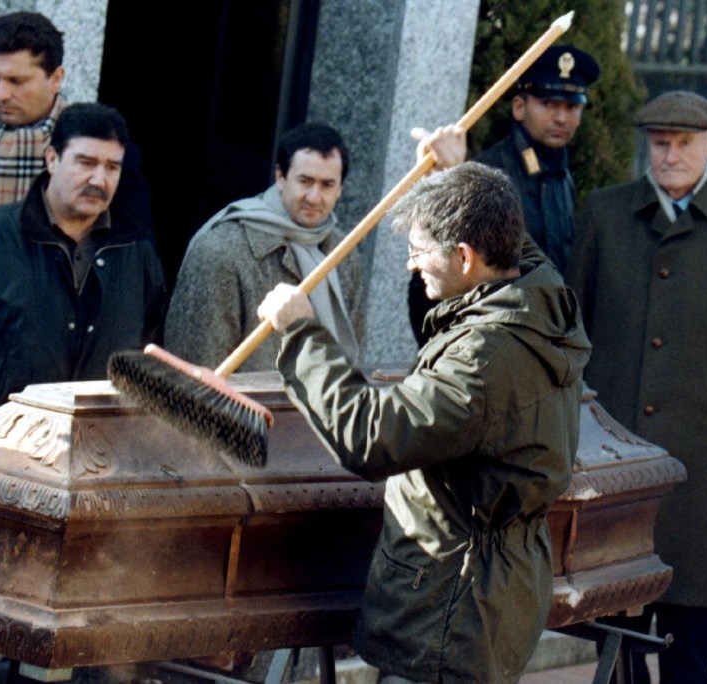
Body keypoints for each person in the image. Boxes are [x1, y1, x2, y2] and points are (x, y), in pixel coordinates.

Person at [256, 161, 590, 682]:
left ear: (464, 255)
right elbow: (505, 229)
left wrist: (301, 334)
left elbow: (371, 436)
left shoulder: (483, 357)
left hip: (452, 607)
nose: (413, 265)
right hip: (496, 591)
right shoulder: (540, 296)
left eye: (419, 251)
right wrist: (458, 167)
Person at [567, 90, 707, 682]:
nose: (670, 156)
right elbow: (572, 326)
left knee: (689, 596)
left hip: (703, 444)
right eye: (661, 144)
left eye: (684, 144)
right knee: (613, 596)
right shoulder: (606, 213)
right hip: (610, 442)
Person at [0, 102, 167, 430]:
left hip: (96, 451)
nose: (99, 179)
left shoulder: (137, 254)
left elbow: (148, 347)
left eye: (112, 167)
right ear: (52, 159)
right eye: (86, 162)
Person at [0, 11, 153, 262]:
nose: (1, 94)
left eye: (16, 81)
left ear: (56, 78)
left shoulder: (107, 152)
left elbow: (132, 250)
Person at [408, 45, 599, 343]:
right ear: (519, 107)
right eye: (549, 104)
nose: (562, 118)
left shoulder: (561, 177)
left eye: (572, 107)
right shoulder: (486, 175)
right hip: (489, 344)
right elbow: (435, 280)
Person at [164, 122, 364, 371]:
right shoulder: (221, 249)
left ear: (340, 189)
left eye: (327, 185)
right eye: (305, 181)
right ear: (280, 177)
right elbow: (193, 370)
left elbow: (354, 357)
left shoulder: (343, 253)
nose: (314, 197)